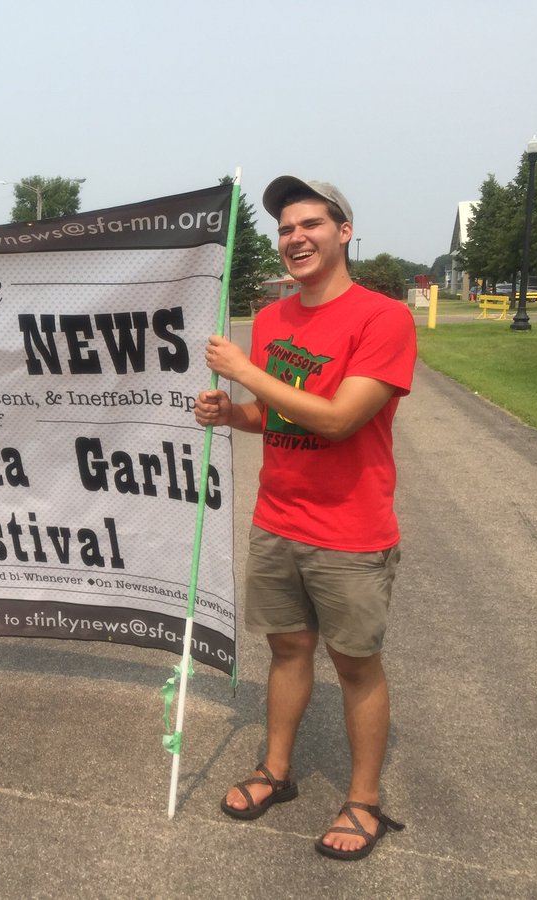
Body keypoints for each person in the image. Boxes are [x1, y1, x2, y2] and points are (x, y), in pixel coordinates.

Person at [194, 177, 416, 861]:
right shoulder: (271, 320)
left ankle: (364, 801)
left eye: (311, 224)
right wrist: (233, 412)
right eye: (287, 228)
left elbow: (342, 420)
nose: (296, 238)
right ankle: (277, 770)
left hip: (349, 530)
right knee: (287, 651)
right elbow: (281, 414)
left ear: (343, 232)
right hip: (277, 520)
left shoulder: (383, 318)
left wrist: (244, 373)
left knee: (356, 666)